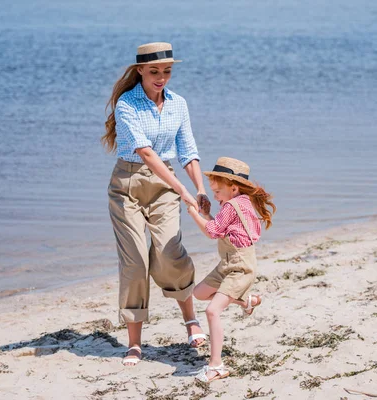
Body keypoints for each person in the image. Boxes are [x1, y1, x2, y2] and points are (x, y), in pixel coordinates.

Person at [102, 42, 212, 366]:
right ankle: (135, 343)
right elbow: (146, 153)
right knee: (135, 262)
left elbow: (188, 150)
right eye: (154, 71)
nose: (161, 77)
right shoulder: (127, 104)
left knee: (169, 253)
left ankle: (190, 319)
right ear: (140, 71)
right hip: (127, 188)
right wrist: (182, 189)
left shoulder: (179, 104)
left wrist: (200, 188)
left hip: (165, 189)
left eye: (167, 71)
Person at [187, 157, 276, 382]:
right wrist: (207, 215)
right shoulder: (240, 202)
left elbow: (212, 232)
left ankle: (216, 366)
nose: (214, 196)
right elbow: (220, 227)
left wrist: (194, 214)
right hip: (227, 264)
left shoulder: (231, 205)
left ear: (233, 188)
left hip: (240, 267)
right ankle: (247, 301)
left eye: (217, 191)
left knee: (212, 311)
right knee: (199, 293)